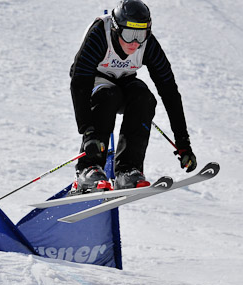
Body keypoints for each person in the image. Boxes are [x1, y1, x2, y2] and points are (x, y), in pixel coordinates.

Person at [70, 0, 197, 191]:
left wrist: (183, 143)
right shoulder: (99, 35)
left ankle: (127, 170)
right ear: (115, 28)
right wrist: (88, 131)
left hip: (125, 80)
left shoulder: (148, 45)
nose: (135, 43)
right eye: (129, 35)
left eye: (141, 34)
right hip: (94, 80)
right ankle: (89, 168)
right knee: (108, 95)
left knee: (144, 97)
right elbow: (79, 82)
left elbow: (169, 91)